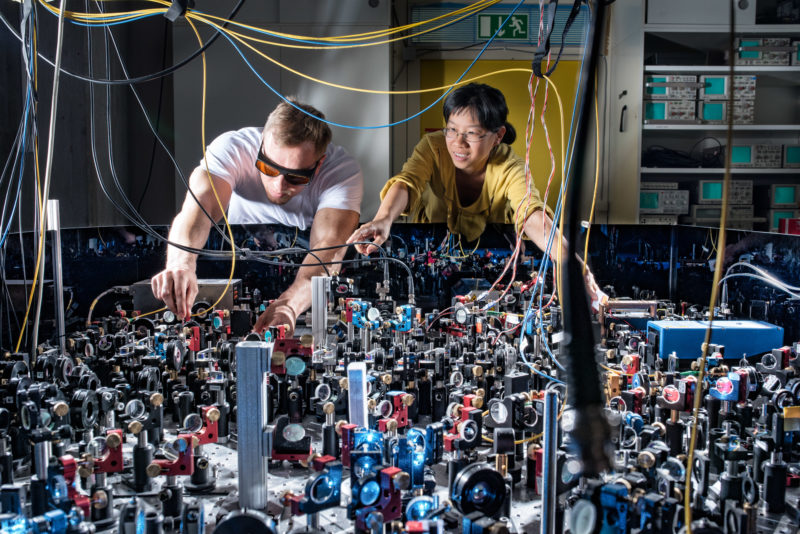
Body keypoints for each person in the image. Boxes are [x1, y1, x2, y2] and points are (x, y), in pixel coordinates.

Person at [347, 83, 603, 305]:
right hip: (431, 262)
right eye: (452, 129)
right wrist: (382, 219)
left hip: (495, 267)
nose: (458, 143)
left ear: (497, 136)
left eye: (472, 133)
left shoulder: (509, 166)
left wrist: (573, 264)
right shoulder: (433, 148)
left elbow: (531, 214)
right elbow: (406, 183)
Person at [152, 99, 363, 334]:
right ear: (262, 144)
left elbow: (329, 248)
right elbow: (198, 209)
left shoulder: (340, 172)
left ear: (318, 163)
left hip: (306, 288)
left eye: (295, 177)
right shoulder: (234, 148)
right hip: (240, 278)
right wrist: (181, 263)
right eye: (269, 169)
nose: (278, 186)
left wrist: (289, 306)